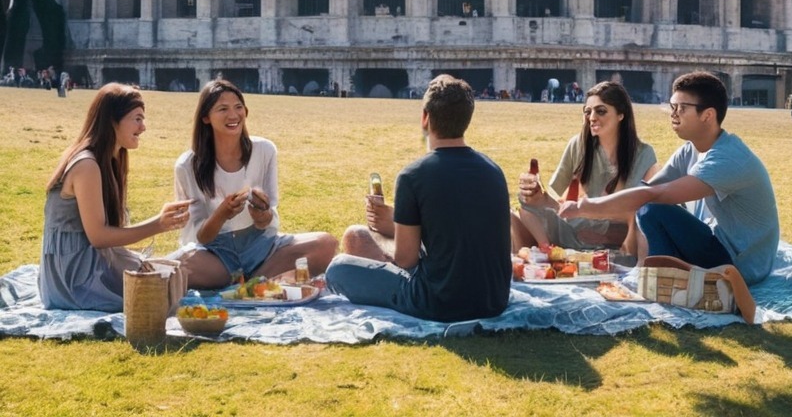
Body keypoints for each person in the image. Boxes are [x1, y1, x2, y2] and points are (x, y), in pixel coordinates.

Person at [560, 71, 779, 285]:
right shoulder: (690, 150)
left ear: (708, 115)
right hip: (719, 244)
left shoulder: (727, 158)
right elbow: (647, 187)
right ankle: (650, 271)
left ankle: (656, 277)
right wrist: (606, 201)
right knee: (645, 204)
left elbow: (656, 195)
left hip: (742, 266)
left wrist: (586, 207)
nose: (673, 114)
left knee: (651, 206)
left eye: (682, 108)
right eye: (672, 107)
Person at [326, 74, 511, 322]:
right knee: (357, 235)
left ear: (426, 118)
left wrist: (384, 236)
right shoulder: (493, 170)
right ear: (467, 119)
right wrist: (396, 221)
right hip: (493, 300)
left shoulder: (413, 176)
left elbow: (405, 259)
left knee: (338, 269)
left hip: (437, 302)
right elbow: (459, 228)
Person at [38, 83, 192, 310]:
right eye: (137, 118)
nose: (143, 127)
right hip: (74, 277)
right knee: (159, 296)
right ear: (112, 120)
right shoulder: (87, 165)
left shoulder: (111, 159)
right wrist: (158, 224)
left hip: (91, 260)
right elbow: (99, 237)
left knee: (172, 276)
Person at [173, 78, 337, 288]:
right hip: (214, 253)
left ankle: (249, 283)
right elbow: (200, 237)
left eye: (238, 107)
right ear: (206, 117)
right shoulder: (187, 165)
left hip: (262, 246)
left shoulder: (265, 150)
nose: (233, 115)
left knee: (325, 244)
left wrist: (263, 215)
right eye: (223, 109)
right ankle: (256, 282)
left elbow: (270, 219)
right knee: (173, 267)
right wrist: (222, 213)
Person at [512, 80, 659, 255]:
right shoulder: (578, 145)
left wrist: (594, 216)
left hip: (618, 233)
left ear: (621, 114)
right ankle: (547, 252)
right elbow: (557, 199)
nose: (592, 117)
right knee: (523, 200)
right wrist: (538, 194)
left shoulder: (644, 154)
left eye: (601, 111)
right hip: (577, 224)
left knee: (635, 219)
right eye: (587, 112)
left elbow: (644, 211)